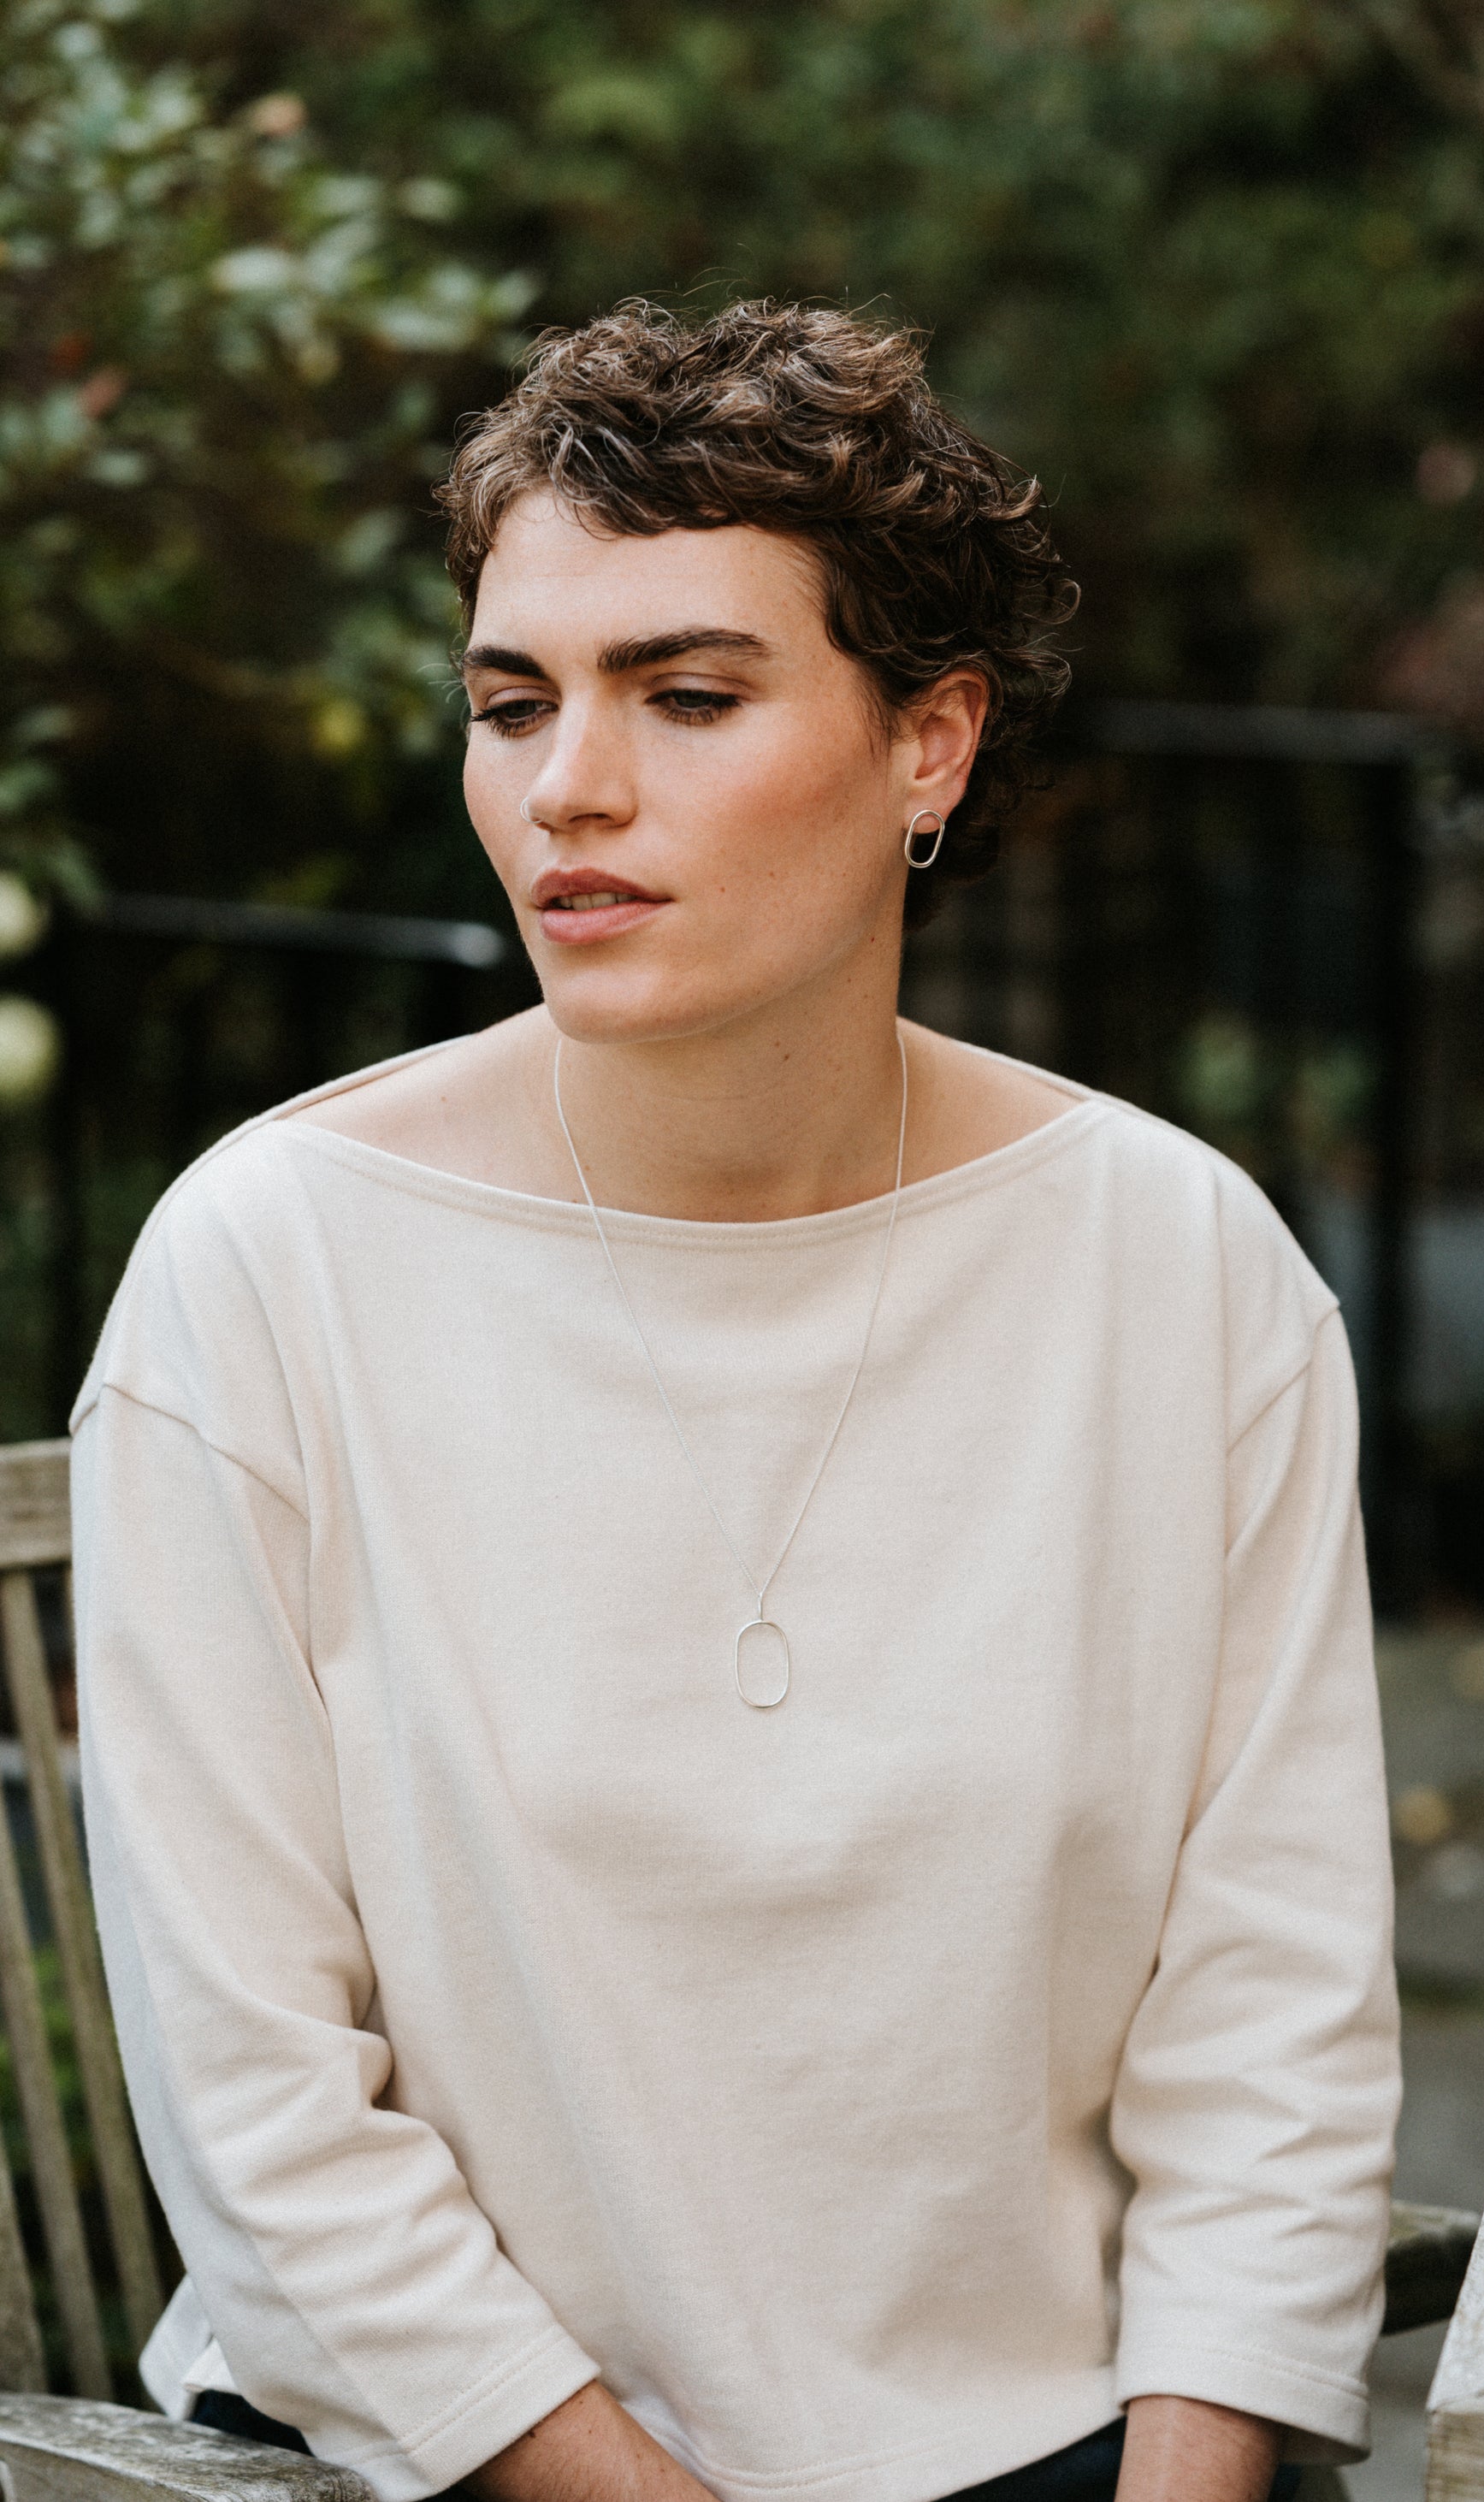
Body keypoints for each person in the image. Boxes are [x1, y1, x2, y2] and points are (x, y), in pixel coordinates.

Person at [72, 299, 1398, 2502]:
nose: (568, 783)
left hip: (1067, 2456)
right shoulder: (267, 1266)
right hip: (456, 2463)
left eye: (686, 693)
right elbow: (261, 2108)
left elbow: (1270, 2009)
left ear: (929, 746)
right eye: (514, 702)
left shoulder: (1179, 1267)